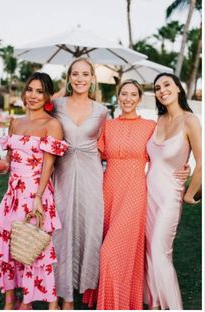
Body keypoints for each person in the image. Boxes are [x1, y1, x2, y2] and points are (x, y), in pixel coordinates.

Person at [0, 72, 68, 310]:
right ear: (24, 93)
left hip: (35, 193)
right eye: (30, 90)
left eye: (39, 91)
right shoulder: (15, 122)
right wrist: (4, 166)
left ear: (47, 96)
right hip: (13, 194)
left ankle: (28, 302)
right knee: (9, 246)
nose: (33, 95)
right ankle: (9, 301)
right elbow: (10, 158)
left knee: (33, 248)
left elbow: (49, 164)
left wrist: (37, 198)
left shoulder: (51, 124)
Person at [50, 57, 108, 310]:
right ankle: (65, 295)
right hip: (62, 172)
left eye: (86, 74)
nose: (80, 79)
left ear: (92, 78)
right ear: (69, 77)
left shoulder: (101, 110)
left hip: (91, 175)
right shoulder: (56, 104)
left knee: (88, 226)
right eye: (75, 74)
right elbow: (37, 122)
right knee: (61, 229)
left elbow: (108, 145)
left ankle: (83, 286)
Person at [95, 80, 156, 310]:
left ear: (139, 99)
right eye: (124, 94)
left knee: (110, 252)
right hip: (108, 190)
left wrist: (184, 169)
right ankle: (119, 299)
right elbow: (94, 157)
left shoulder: (150, 126)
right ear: (118, 96)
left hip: (135, 192)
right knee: (110, 245)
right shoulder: (107, 125)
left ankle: (112, 303)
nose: (128, 99)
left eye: (133, 95)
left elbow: (163, 156)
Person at [144, 73, 202, 310]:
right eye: (157, 87)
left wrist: (191, 194)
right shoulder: (157, 120)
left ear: (178, 88)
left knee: (160, 252)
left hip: (170, 197)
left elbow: (202, 162)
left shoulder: (190, 121)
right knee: (149, 253)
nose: (162, 90)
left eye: (167, 84)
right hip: (147, 195)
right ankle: (155, 304)